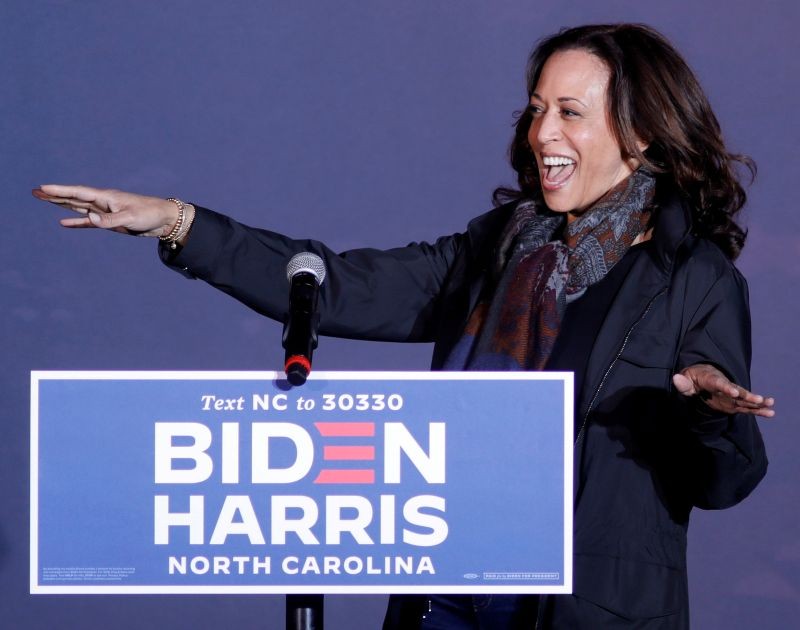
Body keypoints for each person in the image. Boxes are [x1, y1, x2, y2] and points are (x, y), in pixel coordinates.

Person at [33, 22, 773, 630]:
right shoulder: (495, 250)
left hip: (584, 612)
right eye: (536, 106)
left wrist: (706, 413)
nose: (541, 128)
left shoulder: (692, 278)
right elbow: (333, 283)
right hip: (445, 601)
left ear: (639, 134)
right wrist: (179, 224)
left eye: (570, 112)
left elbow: (724, 479)